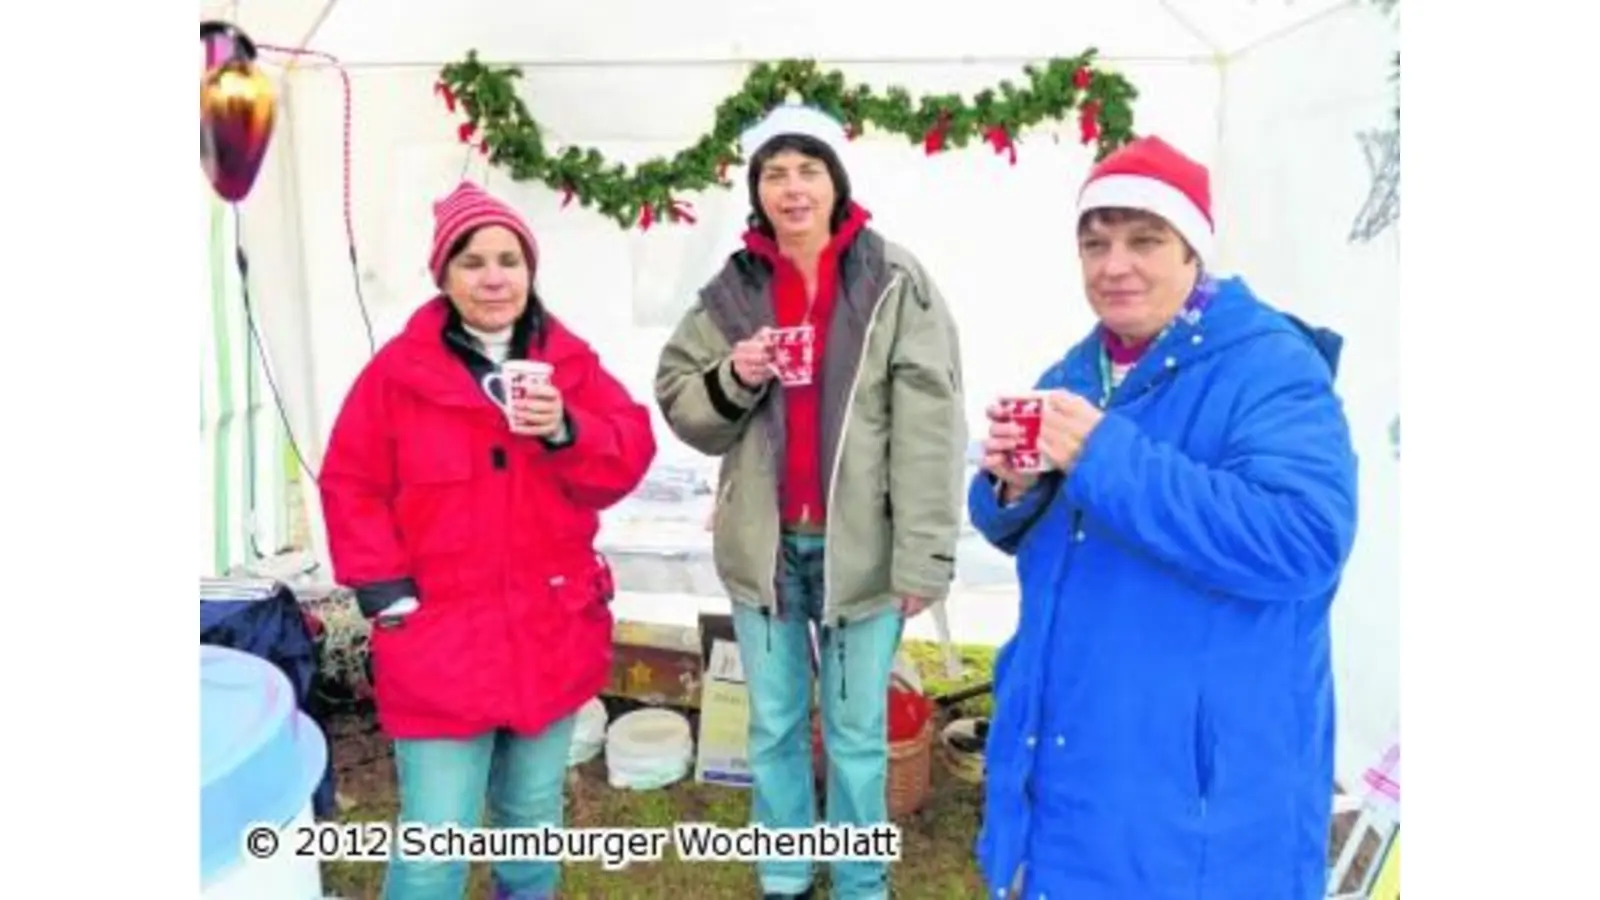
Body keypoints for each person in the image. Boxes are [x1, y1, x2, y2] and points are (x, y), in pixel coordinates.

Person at [968, 136, 1359, 900]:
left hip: (1191, 811)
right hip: (1068, 772)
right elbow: (1034, 527)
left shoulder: (1272, 367)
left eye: (1145, 240)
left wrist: (1103, 454)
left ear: (1194, 255)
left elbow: (1304, 540)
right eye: (1095, 243)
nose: (1115, 265)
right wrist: (1009, 489)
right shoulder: (1075, 371)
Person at [654, 104, 967, 900]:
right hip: (765, 548)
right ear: (756, 191)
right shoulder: (733, 290)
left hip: (862, 550)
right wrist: (738, 375)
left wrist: (926, 553)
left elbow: (933, 424)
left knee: (858, 734)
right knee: (776, 725)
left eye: (809, 169)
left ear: (836, 181)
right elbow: (679, 395)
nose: (793, 188)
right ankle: (787, 873)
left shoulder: (895, 279)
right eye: (775, 173)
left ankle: (861, 882)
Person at [319, 181, 657, 900]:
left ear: (531, 271)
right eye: (472, 262)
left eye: (510, 259)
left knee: (531, 821)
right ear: (443, 275)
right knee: (436, 838)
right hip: (441, 637)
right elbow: (350, 482)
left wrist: (568, 428)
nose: (495, 277)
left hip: (547, 630)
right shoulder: (395, 376)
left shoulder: (571, 364)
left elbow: (627, 453)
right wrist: (387, 595)